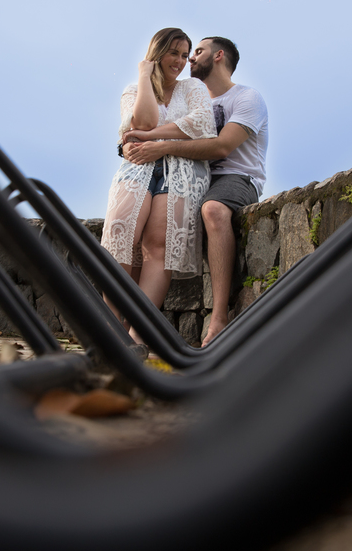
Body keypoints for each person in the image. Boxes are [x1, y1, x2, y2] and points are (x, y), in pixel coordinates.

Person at [123, 36, 269, 346]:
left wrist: (160, 147)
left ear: (218, 56)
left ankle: (218, 318)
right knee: (143, 231)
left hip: (236, 177)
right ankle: (126, 328)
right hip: (193, 176)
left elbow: (222, 146)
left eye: (197, 52)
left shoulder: (247, 97)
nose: (189, 59)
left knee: (213, 209)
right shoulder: (191, 98)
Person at [100, 28, 217, 341]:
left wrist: (153, 140)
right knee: (120, 232)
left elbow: (202, 124)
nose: (180, 61)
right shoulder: (132, 90)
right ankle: (111, 329)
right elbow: (142, 122)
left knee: (158, 244)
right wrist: (144, 76)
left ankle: (139, 335)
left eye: (184, 55)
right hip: (138, 168)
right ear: (157, 53)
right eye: (173, 53)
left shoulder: (192, 86)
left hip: (181, 170)